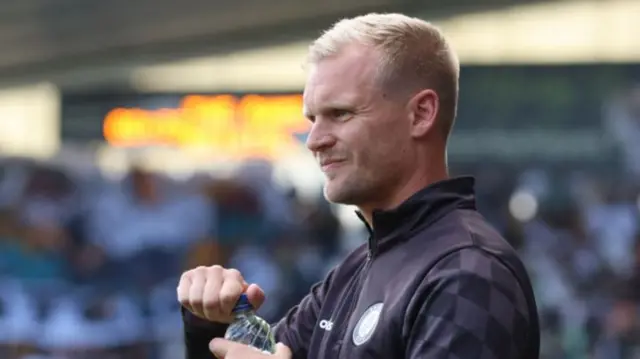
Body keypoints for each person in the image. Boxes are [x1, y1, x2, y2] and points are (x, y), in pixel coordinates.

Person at [178, 13, 540, 359]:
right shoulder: (354, 271)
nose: (314, 140)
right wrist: (211, 323)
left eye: (341, 114)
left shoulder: (468, 272)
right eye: (313, 118)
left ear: (421, 114)